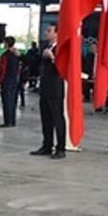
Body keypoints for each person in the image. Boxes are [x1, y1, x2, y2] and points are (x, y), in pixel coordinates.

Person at [31, 25, 66, 160]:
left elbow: (63, 67)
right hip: (45, 88)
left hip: (55, 88)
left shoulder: (60, 48)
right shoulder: (45, 47)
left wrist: (53, 58)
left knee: (57, 118)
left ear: (56, 33)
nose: (46, 33)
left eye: (49, 31)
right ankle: (47, 145)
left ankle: (61, 148)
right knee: (46, 119)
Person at [0, 36, 21, 128]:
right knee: (13, 101)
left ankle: (7, 121)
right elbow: (19, 68)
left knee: (6, 101)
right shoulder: (16, 55)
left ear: (7, 44)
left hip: (6, 80)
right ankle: (12, 121)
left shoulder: (5, 56)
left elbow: (2, 70)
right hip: (14, 80)